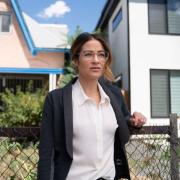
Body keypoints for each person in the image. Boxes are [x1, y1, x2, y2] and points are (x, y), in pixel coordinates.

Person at [37, 32, 146, 180]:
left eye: (101, 54)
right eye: (88, 54)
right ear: (76, 59)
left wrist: (135, 120)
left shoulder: (114, 95)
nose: (96, 60)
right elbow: (46, 153)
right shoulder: (56, 100)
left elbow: (124, 120)